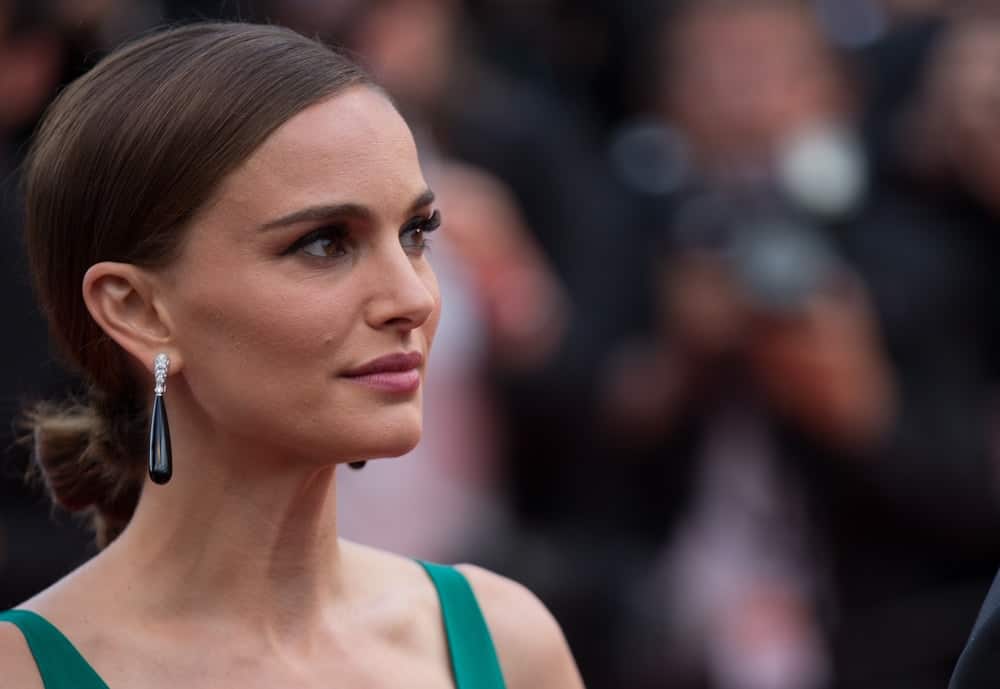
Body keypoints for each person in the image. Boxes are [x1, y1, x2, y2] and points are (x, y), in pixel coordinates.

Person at [0, 22, 584, 689]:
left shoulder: (506, 641)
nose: (413, 298)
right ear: (138, 310)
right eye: (324, 243)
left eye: (417, 234)